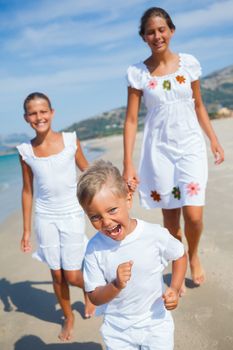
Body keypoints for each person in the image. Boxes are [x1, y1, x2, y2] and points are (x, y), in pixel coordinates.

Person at [123, 7, 224, 293]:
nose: (157, 36)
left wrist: (213, 139)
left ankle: (193, 253)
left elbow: (199, 105)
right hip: (159, 152)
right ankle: (179, 261)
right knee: (170, 218)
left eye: (161, 29)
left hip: (190, 146)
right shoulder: (138, 74)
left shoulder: (188, 64)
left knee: (193, 215)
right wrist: (128, 163)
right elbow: (131, 120)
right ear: (143, 37)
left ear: (171, 30)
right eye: (150, 32)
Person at [77, 159, 187, 350]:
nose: (106, 222)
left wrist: (175, 288)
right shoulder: (94, 249)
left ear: (128, 199)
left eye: (112, 210)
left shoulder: (153, 234)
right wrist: (116, 285)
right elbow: (94, 296)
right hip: (118, 330)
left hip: (155, 323)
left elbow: (179, 254)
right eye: (95, 217)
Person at [17, 92, 95, 341]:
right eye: (33, 113)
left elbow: (88, 170)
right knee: (56, 274)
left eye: (43, 111)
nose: (38, 117)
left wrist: (113, 185)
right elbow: (28, 191)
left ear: (52, 113)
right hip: (45, 217)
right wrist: (27, 230)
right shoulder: (25, 151)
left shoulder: (71, 140)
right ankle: (68, 317)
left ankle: (91, 289)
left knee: (72, 275)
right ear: (26, 118)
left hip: (72, 213)